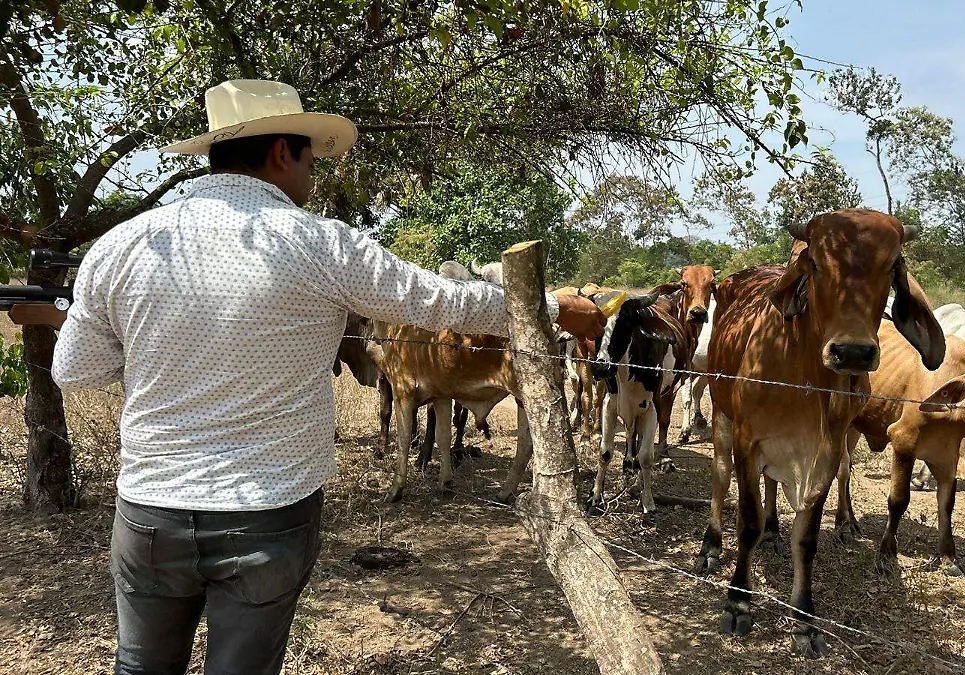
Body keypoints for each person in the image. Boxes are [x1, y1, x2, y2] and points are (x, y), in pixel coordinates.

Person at [50, 79, 606, 675]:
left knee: (139, 667)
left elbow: (77, 371)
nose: (311, 177)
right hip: (268, 511)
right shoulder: (324, 246)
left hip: (150, 510)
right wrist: (554, 309)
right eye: (309, 159)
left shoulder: (123, 245)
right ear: (281, 153)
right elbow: (442, 303)